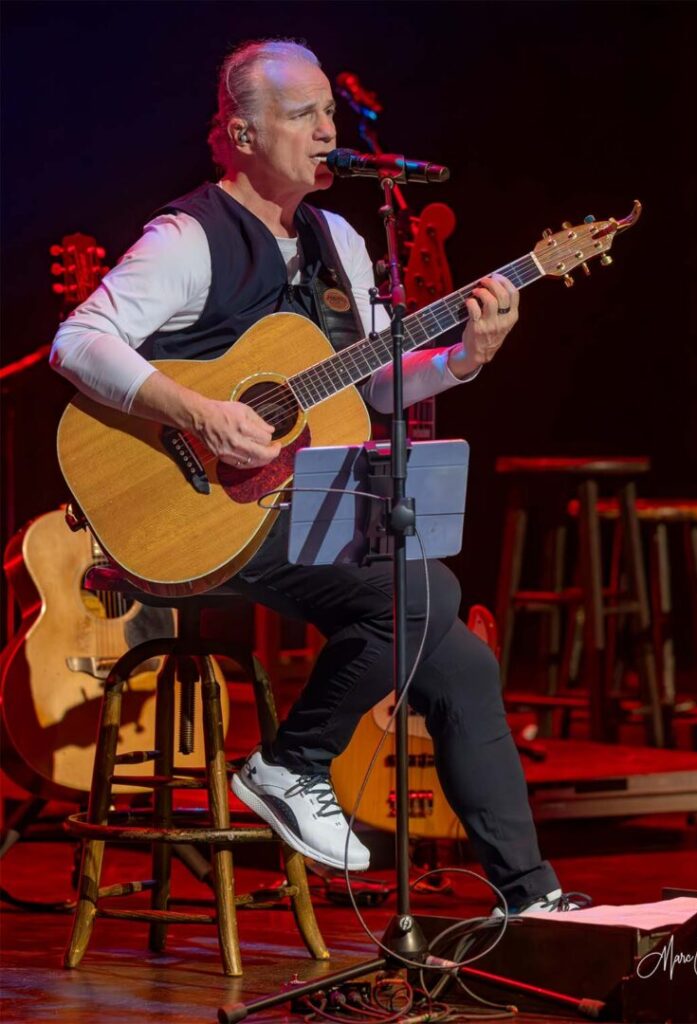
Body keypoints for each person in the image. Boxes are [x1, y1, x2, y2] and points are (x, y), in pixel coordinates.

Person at [51, 38, 587, 915]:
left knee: (459, 661)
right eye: (303, 115)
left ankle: (530, 900)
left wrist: (463, 359)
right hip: (189, 513)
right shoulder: (187, 238)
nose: (327, 131)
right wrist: (200, 412)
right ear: (242, 134)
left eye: (330, 112)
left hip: (290, 509)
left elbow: (369, 384)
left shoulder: (337, 240)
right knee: (423, 591)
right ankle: (290, 764)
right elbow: (78, 342)